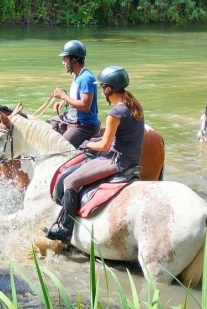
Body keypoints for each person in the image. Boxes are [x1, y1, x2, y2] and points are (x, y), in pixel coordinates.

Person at [43, 66, 145, 244]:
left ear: (108, 89)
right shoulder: (134, 106)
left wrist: (87, 143)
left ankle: (65, 229)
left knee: (70, 181)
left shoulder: (115, 113)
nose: (101, 90)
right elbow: (122, 134)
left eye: (101, 87)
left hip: (117, 161)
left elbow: (105, 144)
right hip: (132, 158)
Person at [49, 40, 100, 148]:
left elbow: (85, 106)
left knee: (59, 148)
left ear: (73, 60)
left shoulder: (86, 78)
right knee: (49, 125)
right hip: (72, 119)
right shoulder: (78, 76)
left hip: (84, 125)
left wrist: (64, 96)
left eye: (65, 59)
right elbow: (76, 97)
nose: (63, 62)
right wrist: (63, 101)